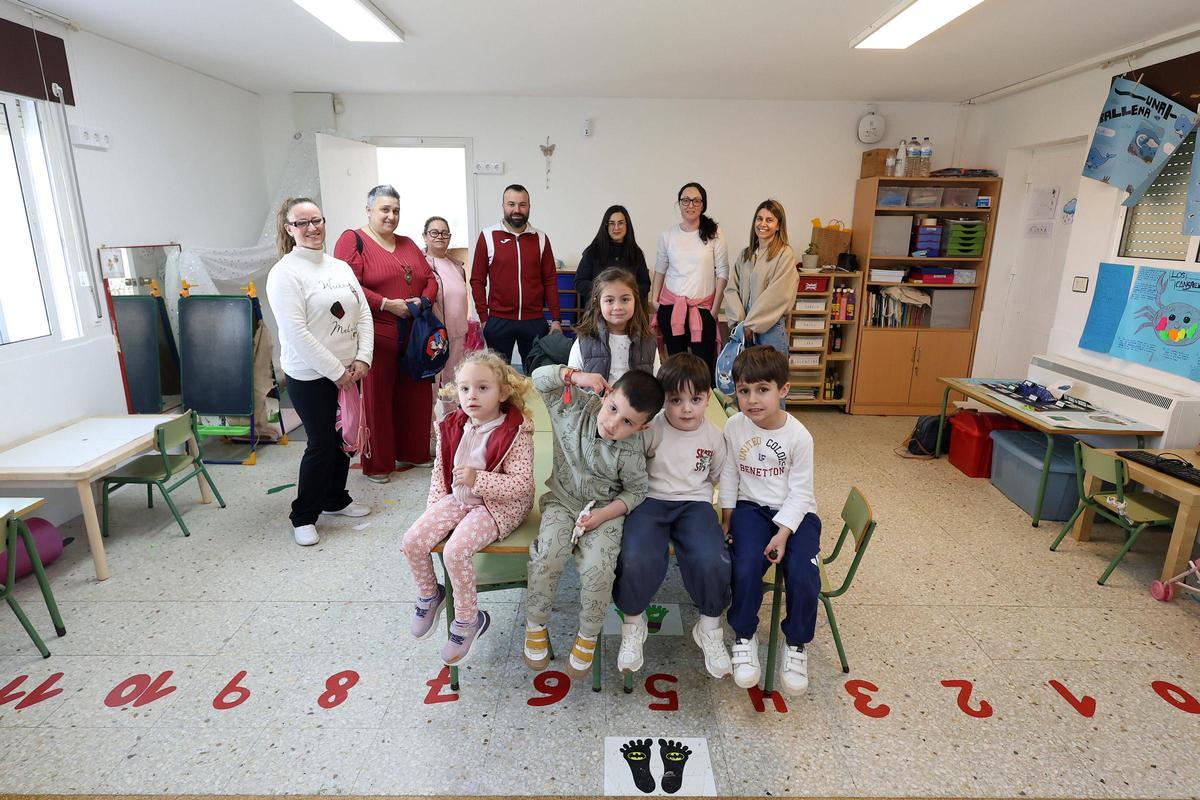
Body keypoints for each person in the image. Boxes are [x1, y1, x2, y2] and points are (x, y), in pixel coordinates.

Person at [522, 365, 664, 677]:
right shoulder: (572, 407)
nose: (613, 424)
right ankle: (535, 622)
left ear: (642, 428)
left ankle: (588, 633)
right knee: (547, 555)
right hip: (562, 500)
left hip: (604, 512)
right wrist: (575, 376)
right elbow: (538, 379)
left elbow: (636, 491)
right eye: (613, 408)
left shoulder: (630, 453)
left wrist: (603, 514)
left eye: (627, 421)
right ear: (607, 394)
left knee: (599, 568)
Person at [401, 350, 535, 666]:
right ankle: (430, 594)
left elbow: (522, 485)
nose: (471, 396)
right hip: (458, 499)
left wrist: (479, 480)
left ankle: (468, 620)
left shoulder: (514, 431)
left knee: (455, 551)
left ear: (503, 392)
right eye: (464, 389)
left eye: (482, 388)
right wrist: (434, 512)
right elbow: (440, 472)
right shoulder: (452, 425)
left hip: (498, 507)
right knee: (412, 540)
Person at [613, 353, 731, 679]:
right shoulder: (653, 428)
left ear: (709, 397)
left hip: (695, 504)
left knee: (713, 558)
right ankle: (633, 625)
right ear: (664, 400)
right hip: (650, 501)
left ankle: (709, 627)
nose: (686, 409)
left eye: (696, 399)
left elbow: (724, 478)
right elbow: (631, 468)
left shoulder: (714, 435)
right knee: (635, 557)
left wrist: (728, 519)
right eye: (676, 400)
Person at [266, 197, 373, 547]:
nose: (312, 228)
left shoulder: (340, 266)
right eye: (302, 223)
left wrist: (363, 358)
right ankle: (303, 514)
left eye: (317, 220)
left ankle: (335, 499)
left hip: (349, 370)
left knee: (345, 440)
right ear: (289, 229)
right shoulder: (285, 273)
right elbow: (297, 333)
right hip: (310, 375)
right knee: (322, 443)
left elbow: (363, 314)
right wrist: (335, 371)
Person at [719, 346, 819, 695]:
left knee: (803, 573)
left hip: (796, 512)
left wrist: (783, 532)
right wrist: (726, 517)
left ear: (783, 390)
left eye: (763, 390)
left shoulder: (799, 437)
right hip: (750, 508)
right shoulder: (734, 425)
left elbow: (802, 492)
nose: (752, 400)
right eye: (744, 390)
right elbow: (730, 473)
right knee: (744, 565)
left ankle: (796, 644)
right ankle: (744, 637)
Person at [334, 185, 438, 483]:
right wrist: (385, 304)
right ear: (369, 210)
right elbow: (346, 284)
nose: (391, 216)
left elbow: (430, 278)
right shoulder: (353, 240)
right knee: (377, 401)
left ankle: (412, 451)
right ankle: (378, 463)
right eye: (384, 209)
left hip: (414, 334)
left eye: (395, 210)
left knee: (415, 395)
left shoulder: (407, 243)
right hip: (376, 336)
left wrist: (424, 301)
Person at [470, 184, 563, 367]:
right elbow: (477, 280)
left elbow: (550, 280)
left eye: (522, 204)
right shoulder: (488, 236)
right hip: (498, 320)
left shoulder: (541, 238)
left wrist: (556, 319)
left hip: (534, 320)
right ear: (503, 206)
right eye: (511, 204)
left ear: (529, 206)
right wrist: (483, 317)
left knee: (536, 375)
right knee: (498, 377)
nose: (517, 210)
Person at [649, 182, 729, 375]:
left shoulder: (714, 233)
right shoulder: (668, 235)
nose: (690, 205)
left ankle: (704, 404)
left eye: (695, 200)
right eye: (685, 200)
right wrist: (654, 299)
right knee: (676, 365)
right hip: (672, 308)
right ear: (679, 203)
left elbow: (722, 272)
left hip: (703, 310)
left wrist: (714, 309)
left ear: (703, 205)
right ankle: (678, 403)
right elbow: (660, 268)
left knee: (703, 366)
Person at [724, 199, 798, 357]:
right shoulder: (746, 254)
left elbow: (777, 295)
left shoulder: (784, 254)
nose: (763, 224)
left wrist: (752, 324)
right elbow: (731, 289)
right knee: (746, 379)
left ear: (778, 225)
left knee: (772, 380)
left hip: (770, 330)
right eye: (759, 218)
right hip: (744, 330)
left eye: (769, 220)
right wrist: (741, 323)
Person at [567, 267, 660, 384]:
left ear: (635, 301)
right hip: (597, 402)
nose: (618, 307)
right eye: (610, 300)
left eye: (625, 299)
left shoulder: (648, 341)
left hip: (638, 402)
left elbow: (658, 383)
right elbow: (572, 383)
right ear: (597, 304)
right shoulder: (584, 341)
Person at [423, 215, 471, 387]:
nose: (439, 237)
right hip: (435, 335)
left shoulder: (457, 265)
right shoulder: (421, 264)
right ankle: (431, 415)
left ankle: (452, 415)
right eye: (434, 232)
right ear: (425, 236)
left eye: (444, 233)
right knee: (433, 384)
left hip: (458, 333)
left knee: (455, 382)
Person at [574, 205, 651, 308]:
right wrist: (603, 290)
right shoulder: (592, 251)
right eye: (611, 223)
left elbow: (645, 284)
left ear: (627, 225)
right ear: (606, 226)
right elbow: (579, 282)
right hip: (598, 310)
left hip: (628, 311)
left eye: (620, 223)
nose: (616, 228)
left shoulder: (636, 253)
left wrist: (629, 293)